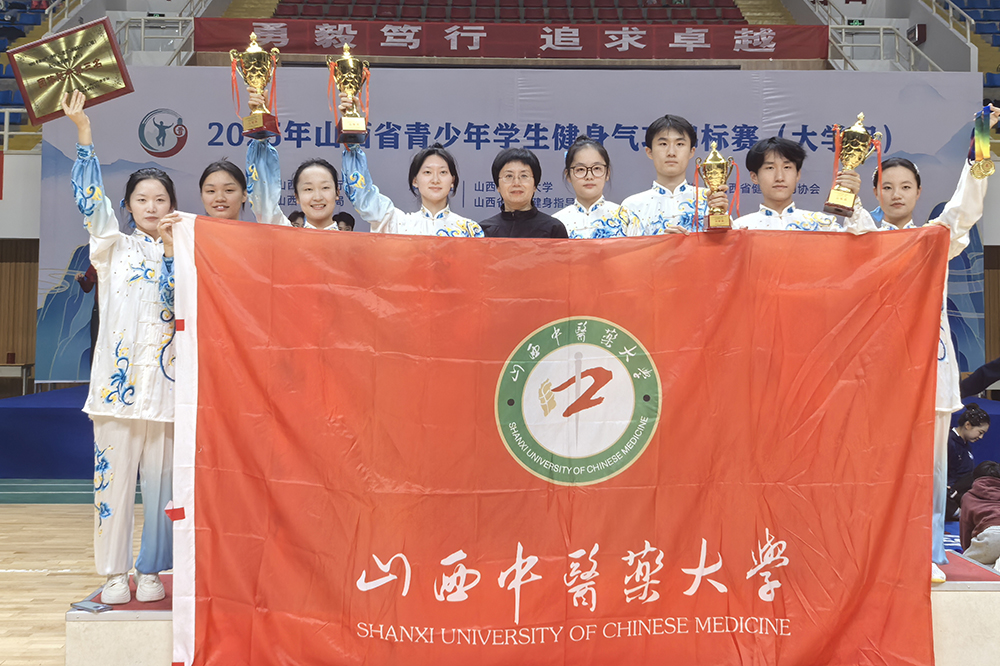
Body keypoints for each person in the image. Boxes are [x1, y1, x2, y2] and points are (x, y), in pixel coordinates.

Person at [864, 105, 999, 581]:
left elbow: (966, 207)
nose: (896, 194)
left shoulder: (935, 238)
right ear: (875, 192)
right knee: (874, 458)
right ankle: (873, 548)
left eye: (905, 186)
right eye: (887, 186)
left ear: (919, 193)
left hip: (929, 365)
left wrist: (980, 144)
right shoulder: (863, 237)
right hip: (876, 367)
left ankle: (926, 550)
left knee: (932, 463)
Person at [62, 90, 175, 605]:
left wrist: (173, 253)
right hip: (116, 393)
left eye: (161, 199)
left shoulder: (188, 254)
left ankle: (152, 569)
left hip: (168, 396)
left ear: (172, 206)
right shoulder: (112, 246)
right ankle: (113, 572)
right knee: (111, 486)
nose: (152, 207)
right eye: (142, 199)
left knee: (163, 490)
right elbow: (92, 203)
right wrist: (84, 134)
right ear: (127, 207)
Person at [246, 87, 341, 230]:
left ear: (337, 193)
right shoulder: (285, 235)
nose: (317, 197)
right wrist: (260, 123)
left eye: (325, 187)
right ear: (296, 197)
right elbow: (264, 205)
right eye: (308, 189)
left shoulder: (354, 241)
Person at [732, 137, 875, 232]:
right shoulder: (740, 228)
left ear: (798, 175)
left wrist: (853, 200)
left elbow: (860, 249)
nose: (779, 177)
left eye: (787, 167)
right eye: (770, 168)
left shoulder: (822, 225)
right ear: (754, 177)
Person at [622, 114, 724, 235]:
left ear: (691, 152)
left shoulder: (710, 200)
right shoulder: (632, 206)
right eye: (663, 144)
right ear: (649, 152)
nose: (671, 152)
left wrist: (721, 215)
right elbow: (624, 247)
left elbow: (729, 244)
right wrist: (664, 243)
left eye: (679, 144)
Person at [553, 135, 639, 239]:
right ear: (568, 175)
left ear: (607, 173)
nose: (589, 176)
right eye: (580, 169)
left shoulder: (626, 218)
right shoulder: (556, 224)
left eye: (597, 168)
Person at [480, 148, 568, 238]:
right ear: (498, 186)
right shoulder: (484, 231)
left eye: (524, 176)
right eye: (509, 176)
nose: (516, 183)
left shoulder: (553, 229)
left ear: (535, 185)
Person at [947, 403, 992, 518]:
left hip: (964, 493)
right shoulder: (949, 442)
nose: (981, 437)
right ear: (967, 425)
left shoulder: (964, 443)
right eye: (980, 432)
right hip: (952, 497)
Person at [960, 461, 1000, 570]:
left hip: (991, 537)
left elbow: (966, 530)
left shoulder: (968, 497)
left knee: (965, 565)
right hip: (992, 536)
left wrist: (969, 550)